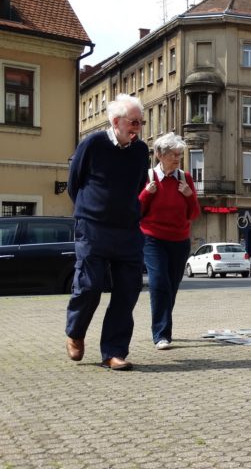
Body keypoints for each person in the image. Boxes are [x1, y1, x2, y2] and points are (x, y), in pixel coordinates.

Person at [65, 94, 150, 371]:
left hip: (127, 231)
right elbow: (74, 183)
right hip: (93, 226)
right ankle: (76, 332)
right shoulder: (92, 144)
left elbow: (139, 185)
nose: (137, 127)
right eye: (133, 121)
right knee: (89, 286)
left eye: (141, 122)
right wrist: (91, 209)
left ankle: (114, 351)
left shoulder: (140, 151)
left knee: (128, 290)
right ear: (116, 122)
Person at [139, 133, 200, 350]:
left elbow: (194, 213)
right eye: (173, 155)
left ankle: (162, 323)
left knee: (172, 286)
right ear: (159, 155)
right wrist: (146, 193)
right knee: (159, 283)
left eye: (179, 155)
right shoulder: (148, 177)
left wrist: (188, 195)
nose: (177, 159)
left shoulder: (185, 179)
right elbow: (137, 211)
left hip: (179, 240)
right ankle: (162, 334)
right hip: (152, 238)